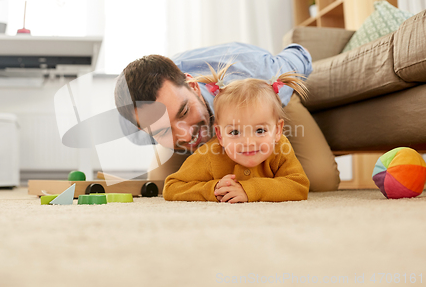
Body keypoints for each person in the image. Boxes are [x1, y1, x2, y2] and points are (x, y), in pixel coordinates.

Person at [114, 42, 340, 191]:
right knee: (160, 185)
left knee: (320, 180)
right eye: (163, 130)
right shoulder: (136, 125)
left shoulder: (255, 69)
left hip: (261, 103)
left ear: (193, 86)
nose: (185, 133)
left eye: (184, 112)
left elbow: (299, 55)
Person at [163, 67, 310, 202]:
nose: (248, 142)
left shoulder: (280, 147)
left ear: (277, 131)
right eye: (235, 132)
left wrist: (251, 189)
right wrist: (213, 189)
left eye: (260, 130)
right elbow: (172, 187)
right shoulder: (210, 154)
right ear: (220, 136)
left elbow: (299, 185)